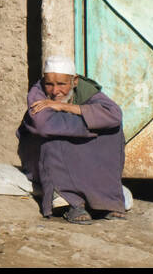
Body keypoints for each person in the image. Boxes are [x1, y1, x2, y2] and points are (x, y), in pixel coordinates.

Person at [17, 55, 126, 224]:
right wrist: (92, 126)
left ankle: (107, 201)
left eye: (61, 84)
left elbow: (114, 116)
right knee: (52, 135)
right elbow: (44, 125)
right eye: (49, 84)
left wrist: (65, 107)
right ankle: (70, 202)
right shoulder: (37, 93)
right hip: (37, 155)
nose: (55, 92)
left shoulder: (87, 91)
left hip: (75, 154)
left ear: (74, 81)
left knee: (114, 131)